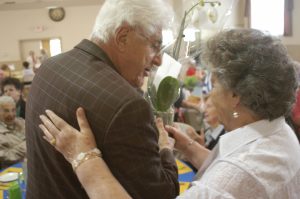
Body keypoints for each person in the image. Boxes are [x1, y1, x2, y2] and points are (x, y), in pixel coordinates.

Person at [40, 29, 300, 199]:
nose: (209, 94)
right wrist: (188, 148)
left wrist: (85, 160)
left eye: (215, 84)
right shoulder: (280, 133)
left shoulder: (232, 180)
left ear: (236, 96)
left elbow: (237, 177)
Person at [26, 1, 178, 199]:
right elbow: (161, 194)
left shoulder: (49, 67)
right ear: (122, 37)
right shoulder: (127, 105)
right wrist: (165, 148)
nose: (158, 60)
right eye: (154, 46)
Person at [0, 96, 26, 169]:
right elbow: (5, 157)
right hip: (10, 172)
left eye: (13, 110)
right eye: (6, 111)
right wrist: (26, 145)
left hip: (31, 166)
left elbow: (35, 141)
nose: (11, 114)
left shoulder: (22, 122)